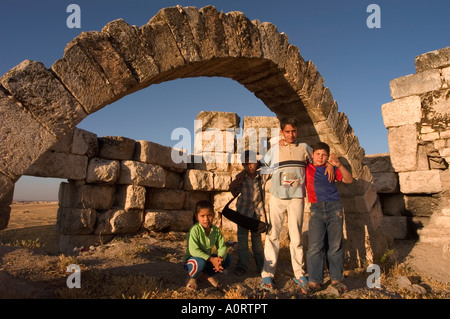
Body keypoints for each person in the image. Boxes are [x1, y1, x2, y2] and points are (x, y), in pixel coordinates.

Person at [259, 117, 334, 294]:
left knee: (296, 236)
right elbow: (262, 168)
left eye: (293, 131)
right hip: (277, 197)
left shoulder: (305, 148)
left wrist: (330, 164)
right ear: (281, 132)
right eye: (287, 131)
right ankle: (267, 273)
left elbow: (319, 159)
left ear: (297, 131)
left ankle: (299, 273)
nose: (291, 134)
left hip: (297, 198)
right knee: (273, 235)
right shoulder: (275, 150)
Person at [305, 142, 353, 294]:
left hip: (335, 208)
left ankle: (336, 280)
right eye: (318, 154)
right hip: (316, 209)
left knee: (335, 246)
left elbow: (349, 180)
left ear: (328, 156)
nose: (320, 157)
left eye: (324, 155)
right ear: (312, 155)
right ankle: (314, 281)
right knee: (314, 247)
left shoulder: (332, 168)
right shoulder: (307, 168)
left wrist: (337, 164)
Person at [229, 150, 265, 276]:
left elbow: (270, 166)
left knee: (257, 243)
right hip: (243, 213)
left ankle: (262, 266)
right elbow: (233, 191)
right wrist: (236, 182)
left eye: (252, 163)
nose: (250, 166)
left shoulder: (262, 175)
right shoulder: (241, 176)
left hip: (256, 214)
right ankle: (242, 265)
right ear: (242, 165)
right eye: (246, 164)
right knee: (242, 241)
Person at [183, 200, 232, 290]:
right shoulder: (194, 230)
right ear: (197, 216)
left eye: (209, 215)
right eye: (202, 216)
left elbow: (222, 247)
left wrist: (219, 258)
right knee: (200, 262)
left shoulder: (216, 230)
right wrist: (211, 259)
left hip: (207, 259)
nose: (206, 219)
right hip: (192, 260)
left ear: (213, 215)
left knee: (227, 259)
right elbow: (193, 251)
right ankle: (192, 278)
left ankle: (206, 276)